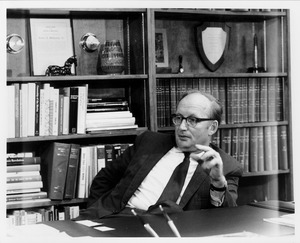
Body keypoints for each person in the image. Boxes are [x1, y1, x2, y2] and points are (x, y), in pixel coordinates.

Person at [77, 90, 243, 220]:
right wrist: (97, 211)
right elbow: (105, 178)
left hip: (162, 231)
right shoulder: (149, 142)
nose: (182, 127)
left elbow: (226, 218)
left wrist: (218, 183)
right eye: (179, 118)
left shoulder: (226, 167)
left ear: (212, 127)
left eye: (192, 120)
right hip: (111, 218)